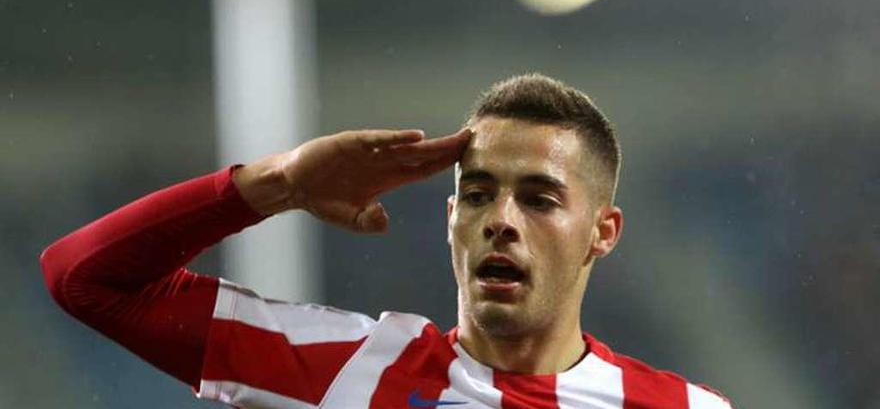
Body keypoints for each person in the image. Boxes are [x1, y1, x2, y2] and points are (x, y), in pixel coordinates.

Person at [40, 74, 733, 408]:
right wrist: (277, 182)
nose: (502, 218)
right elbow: (83, 278)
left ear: (601, 233)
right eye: (482, 193)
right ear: (452, 215)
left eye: (540, 197)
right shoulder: (340, 368)